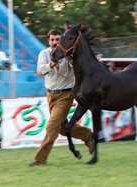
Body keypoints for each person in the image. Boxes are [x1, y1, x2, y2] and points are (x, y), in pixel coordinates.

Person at [29, 29, 94, 167]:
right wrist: (51, 64)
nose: (54, 42)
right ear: (48, 41)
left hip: (65, 95)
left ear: (61, 40)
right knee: (63, 129)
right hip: (50, 95)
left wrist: (70, 61)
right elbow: (40, 70)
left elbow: (79, 70)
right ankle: (87, 135)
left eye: (57, 39)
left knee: (52, 126)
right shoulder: (44, 54)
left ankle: (40, 159)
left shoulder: (69, 54)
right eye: (52, 40)